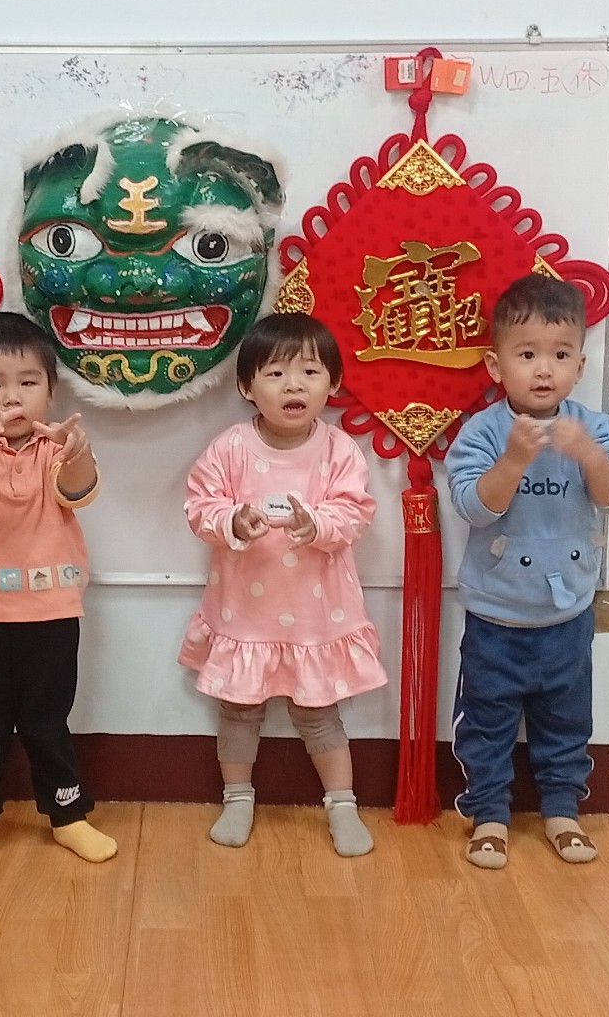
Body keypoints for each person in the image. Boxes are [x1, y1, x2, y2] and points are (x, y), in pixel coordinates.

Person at [446, 273, 609, 869]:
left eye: (559, 355)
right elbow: (474, 507)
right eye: (526, 354)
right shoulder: (483, 431)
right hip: (496, 615)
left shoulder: (593, 429)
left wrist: (588, 454)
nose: (543, 370)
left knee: (566, 718)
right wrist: (514, 459)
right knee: (487, 722)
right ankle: (489, 814)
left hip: (568, 615)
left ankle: (562, 810)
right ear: (495, 364)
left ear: (579, 365)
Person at [178, 312, 387, 856]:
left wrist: (317, 525)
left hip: (317, 619)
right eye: (275, 374)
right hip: (243, 615)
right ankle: (237, 797)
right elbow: (200, 506)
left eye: (310, 372)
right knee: (238, 711)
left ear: (333, 383)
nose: (294, 385)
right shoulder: (229, 448)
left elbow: (355, 512)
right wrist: (232, 521)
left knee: (319, 714)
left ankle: (342, 804)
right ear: (247, 387)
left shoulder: (339, 450)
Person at [0, 311, 117, 873]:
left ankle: (68, 814)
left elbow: (78, 492)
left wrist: (77, 453)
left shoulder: (56, 447)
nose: (11, 396)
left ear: (50, 392)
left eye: (28, 382)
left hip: (51, 615)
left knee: (46, 723)